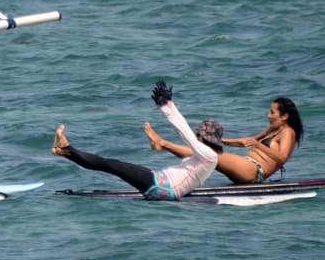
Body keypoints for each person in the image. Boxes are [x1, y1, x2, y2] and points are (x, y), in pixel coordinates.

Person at [51, 80, 222, 200]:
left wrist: (167, 107)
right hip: (160, 184)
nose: (197, 136)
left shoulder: (210, 156)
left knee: (110, 164)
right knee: (108, 165)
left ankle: (67, 148)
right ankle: (66, 152)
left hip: (161, 187)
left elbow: (186, 135)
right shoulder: (204, 158)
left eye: (200, 134)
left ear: (206, 138)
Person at [145, 95, 302, 184]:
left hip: (254, 171)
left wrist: (258, 146)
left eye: (272, 112)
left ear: (285, 116)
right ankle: (169, 174)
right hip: (245, 165)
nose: (268, 115)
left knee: (210, 154)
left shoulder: (288, 132)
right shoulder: (273, 129)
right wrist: (220, 141)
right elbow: (247, 141)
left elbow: (282, 158)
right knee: (205, 153)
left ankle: (163, 144)